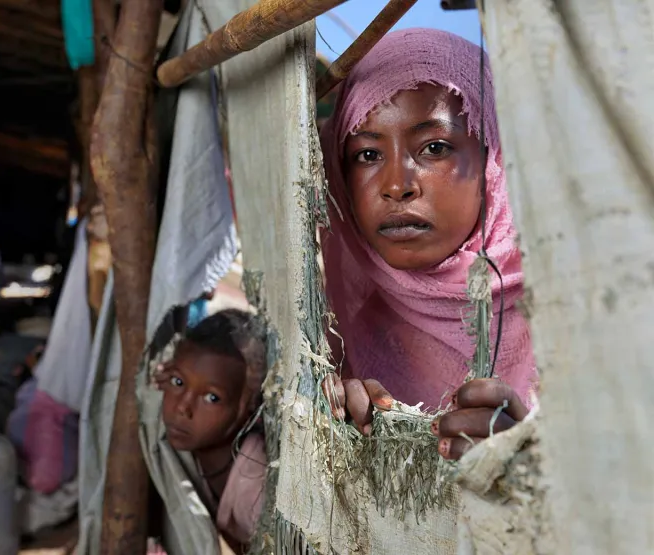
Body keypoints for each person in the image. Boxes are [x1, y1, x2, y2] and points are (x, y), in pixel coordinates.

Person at [319, 28, 538, 462]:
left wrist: (532, 458)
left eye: (434, 148)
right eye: (367, 155)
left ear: (494, 158)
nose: (396, 185)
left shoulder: (581, 315)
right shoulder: (334, 342)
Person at [156, 309, 267, 553]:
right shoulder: (199, 445)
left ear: (246, 409)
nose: (183, 408)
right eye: (178, 382)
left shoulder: (255, 490)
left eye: (211, 397)